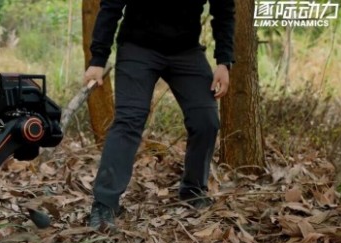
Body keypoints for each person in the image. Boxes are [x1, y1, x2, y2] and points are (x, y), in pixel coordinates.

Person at [85, 0, 235, 230]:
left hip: (186, 51)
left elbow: (223, 11)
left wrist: (224, 62)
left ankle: (193, 191)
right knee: (129, 120)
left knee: (206, 120)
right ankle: (104, 204)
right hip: (138, 48)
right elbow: (110, 7)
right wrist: (98, 59)